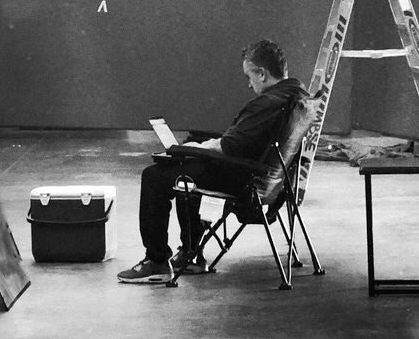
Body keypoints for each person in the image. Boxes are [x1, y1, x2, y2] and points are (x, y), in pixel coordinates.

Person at [117, 38, 306, 284]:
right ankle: (191, 254)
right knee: (188, 166)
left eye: (249, 76)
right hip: (271, 181)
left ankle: (157, 260)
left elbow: (228, 147)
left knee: (155, 176)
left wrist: (196, 148)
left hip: (247, 180)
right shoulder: (297, 96)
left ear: (262, 73)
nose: (249, 84)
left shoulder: (268, 103)